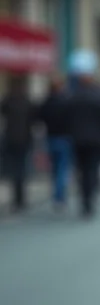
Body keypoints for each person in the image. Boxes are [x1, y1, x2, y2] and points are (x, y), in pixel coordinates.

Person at [67, 57, 100, 218]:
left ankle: (85, 200)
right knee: (91, 170)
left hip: (78, 140)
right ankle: (90, 198)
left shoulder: (72, 96)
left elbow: (66, 118)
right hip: (94, 140)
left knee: (82, 171)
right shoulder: (98, 97)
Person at [0, 75, 36, 212]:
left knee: (14, 168)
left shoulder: (8, 101)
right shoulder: (27, 102)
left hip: (11, 139)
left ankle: (17, 196)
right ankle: (20, 197)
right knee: (22, 168)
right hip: (23, 139)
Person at [37, 75, 72, 210]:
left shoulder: (47, 102)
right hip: (63, 138)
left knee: (55, 169)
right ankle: (59, 196)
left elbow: (40, 118)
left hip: (51, 138)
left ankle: (57, 195)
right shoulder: (65, 102)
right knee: (62, 168)